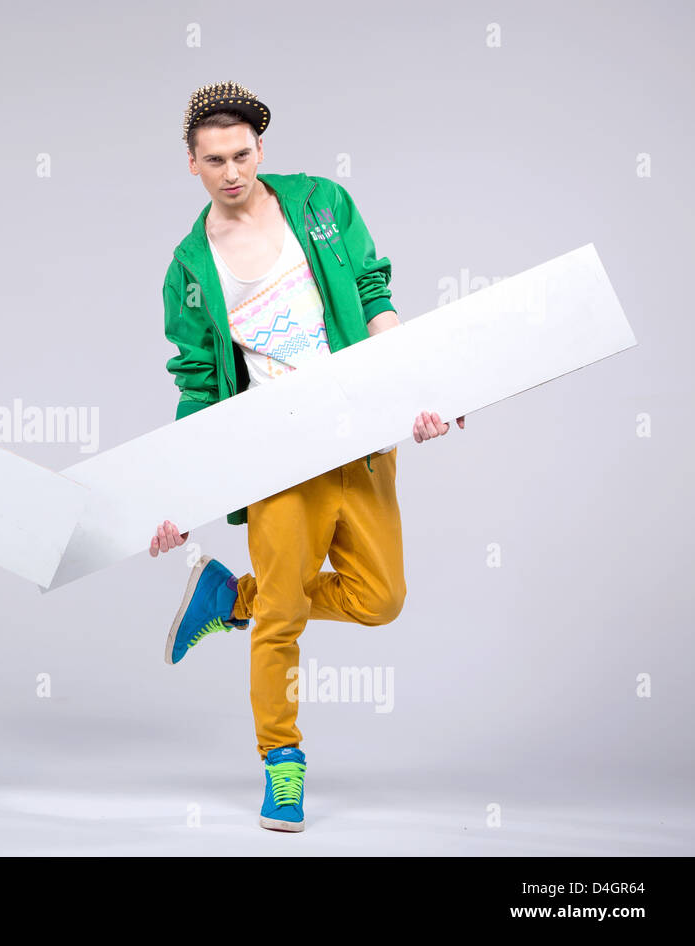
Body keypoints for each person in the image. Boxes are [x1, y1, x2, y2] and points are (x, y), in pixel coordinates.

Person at [148, 81, 464, 832]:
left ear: (261, 147)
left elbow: (372, 291)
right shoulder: (190, 267)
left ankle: (230, 598)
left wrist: (419, 388)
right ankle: (282, 765)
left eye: (243, 154)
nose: (232, 172)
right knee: (283, 620)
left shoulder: (321, 203)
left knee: (380, 597)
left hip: (359, 437)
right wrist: (181, 493)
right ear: (191, 163)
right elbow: (197, 383)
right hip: (276, 453)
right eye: (215, 159)